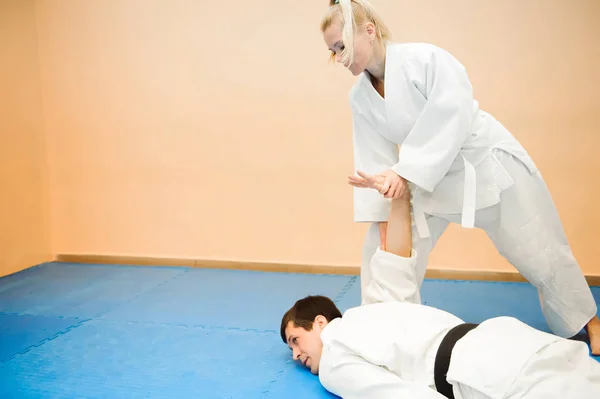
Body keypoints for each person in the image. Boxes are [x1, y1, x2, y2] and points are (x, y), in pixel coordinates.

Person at [319, 0, 600, 353]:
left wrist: (405, 171)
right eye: (332, 51)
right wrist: (384, 191)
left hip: (484, 163)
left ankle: (588, 322)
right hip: (427, 176)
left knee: (539, 245)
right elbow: (377, 159)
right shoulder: (360, 96)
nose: (340, 57)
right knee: (383, 247)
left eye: (342, 45)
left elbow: (452, 114)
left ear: (369, 31)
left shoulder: (424, 60)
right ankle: (381, 331)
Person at [280, 182, 600, 399]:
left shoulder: (334, 357)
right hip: (507, 338)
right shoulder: (376, 308)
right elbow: (396, 256)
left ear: (320, 322)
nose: (296, 354)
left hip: (477, 376)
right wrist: (398, 194)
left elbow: (398, 395)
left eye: (295, 339)